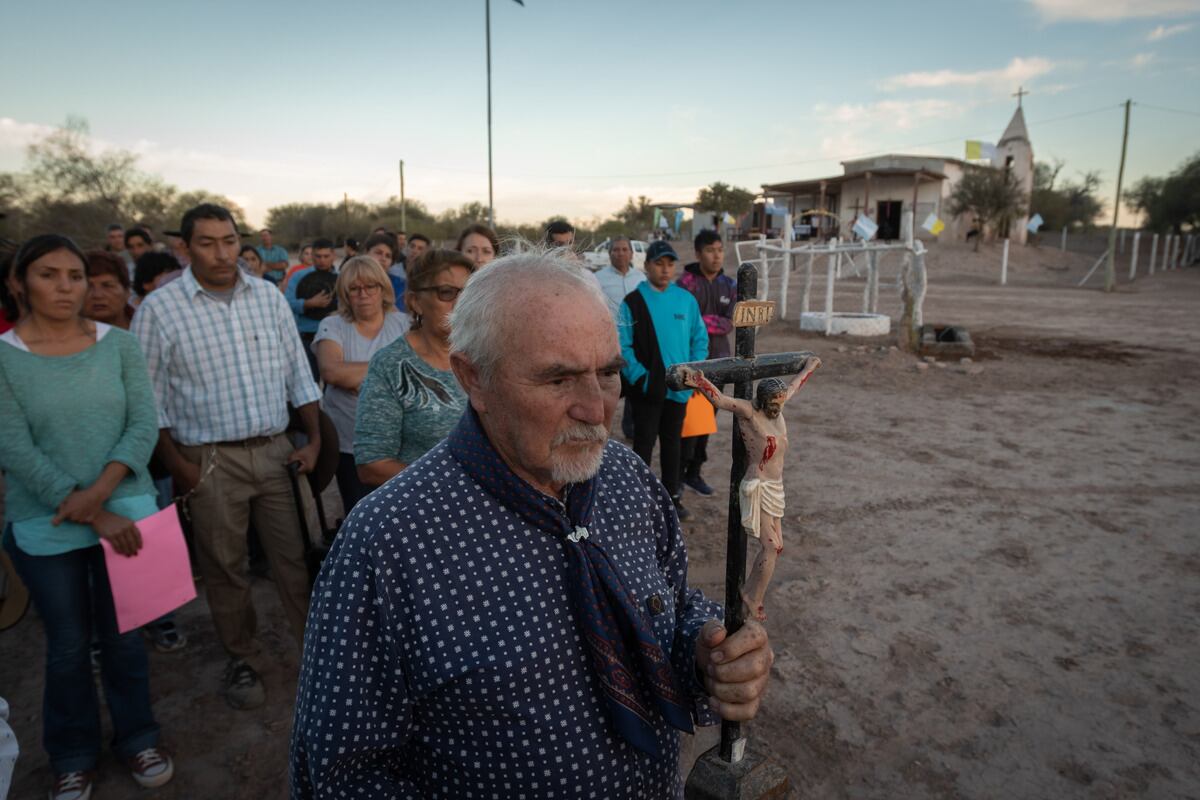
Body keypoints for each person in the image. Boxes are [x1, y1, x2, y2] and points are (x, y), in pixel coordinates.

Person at [290, 249, 772, 798]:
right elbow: (341, 775)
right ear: (473, 376)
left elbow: (673, 602)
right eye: (557, 380)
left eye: (609, 373)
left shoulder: (626, 476)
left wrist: (707, 650)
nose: (596, 409)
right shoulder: (387, 542)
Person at [1, 234, 174, 799]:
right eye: (49, 274)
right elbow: (13, 446)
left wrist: (99, 494)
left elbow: (142, 425)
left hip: (126, 508)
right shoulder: (4, 357)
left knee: (125, 636)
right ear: (18, 282)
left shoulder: (119, 345)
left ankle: (138, 737)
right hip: (47, 523)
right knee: (69, 644)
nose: (66, 287)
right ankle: (72, 755)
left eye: (75, 276)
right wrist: (88, 511)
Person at [132, 203, 323, 710]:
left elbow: (297, 375)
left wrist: (314, 440)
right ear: (185, 248)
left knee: (294, 561)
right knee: (226, 567)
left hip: (276, 450)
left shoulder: (267, 297)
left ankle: (322, 658)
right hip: (209, 459)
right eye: (207, 242)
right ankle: (243, 659)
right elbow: (150, 404)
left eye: (229, 240)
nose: (222, 253)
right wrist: (180, 467)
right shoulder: (159, 310)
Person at [681, 358, 820, 621]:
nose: (779, 406)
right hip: (758, 485)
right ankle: (752, 598)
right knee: (770, 546)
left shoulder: (777, 408)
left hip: (775, 486)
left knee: (776, 548)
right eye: (774, 402)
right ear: (762, 401)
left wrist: (809, 367)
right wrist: (699, 381)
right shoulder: (750, 413)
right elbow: (721, 400)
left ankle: (753, 593)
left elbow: (794, 386)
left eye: (780, 402)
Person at [353, 249, 474, 489]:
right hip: (427, 511)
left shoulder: (488, 355)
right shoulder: (391, 364)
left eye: (469, 293)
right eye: (447, 293)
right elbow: (371, 464)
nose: (460, 303)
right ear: (415, 301)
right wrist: (452, 485)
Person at [313, 256, 409, 516]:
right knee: (360, 513)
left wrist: (359, 377)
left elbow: (415, 370)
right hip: (349, 445)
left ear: (383, 289)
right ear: (345, 294)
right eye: (354, 289)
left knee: (401, 513)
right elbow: (331, 371)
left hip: (398, 443)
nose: (363, 295)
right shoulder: (332, 325)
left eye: (371, 287)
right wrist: (390, 373)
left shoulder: (404, 324)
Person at [618, 240, 707, 521]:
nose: (665, 269)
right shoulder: (632, 302)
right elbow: (623, 345)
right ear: (646, 267)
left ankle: (673, 496)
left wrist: (692, 375)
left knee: (674, 446)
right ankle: (637, 499)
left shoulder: (685, 300)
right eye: (659, 263)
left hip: (679, 390)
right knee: (643, 444)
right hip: (647, 391)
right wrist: (642, 378)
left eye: (670, 264)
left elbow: (699, 339)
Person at [676, 229, 735, 496]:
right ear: (698, 253)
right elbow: (684, 322)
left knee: (706, 422)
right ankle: (676, 477)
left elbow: (730, 322)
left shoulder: (730, 285)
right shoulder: (686, 284)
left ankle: (694, 472)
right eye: (710, 250)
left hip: (719, 364)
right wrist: (706, 321)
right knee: (685, 424)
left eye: (720, 250)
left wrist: (702, 320)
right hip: (690, 364)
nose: (716, 255)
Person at [594, 235, 646, 440]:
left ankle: (630, 428)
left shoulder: (641, 279)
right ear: (609, 253)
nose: (620, 253)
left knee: (633, 384)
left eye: (624, 249)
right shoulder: (598, 279)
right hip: (607, 342)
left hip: (634, 342)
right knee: (605, 386)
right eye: (616, 249)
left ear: (632, 253)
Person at [284, 238, 338, 378]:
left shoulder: (342, 277)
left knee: (334, 383)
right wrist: (308, 303)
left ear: (333, 256)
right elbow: (286, 304)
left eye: (326, 256)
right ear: (312, 256)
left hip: (335, 337)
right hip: (307, 338)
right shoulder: (298, 276)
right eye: (318, 256)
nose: (322, 260)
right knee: (309, 382)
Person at [84, 249, 135, 329]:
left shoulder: (145, 326)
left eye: (107, 286)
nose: (98, 295)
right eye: (88, 287)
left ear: (127, 292)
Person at [363, 231, 404, 300]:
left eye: (388, 256)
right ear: (367, 252)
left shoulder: (400, 285)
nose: (383, 259)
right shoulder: (351, 280)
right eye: (378, 253)